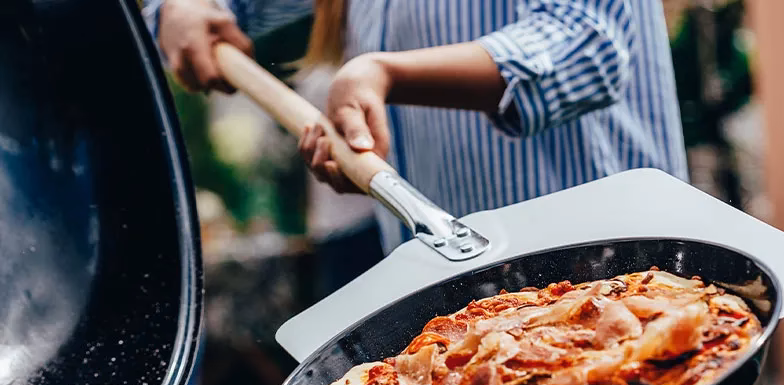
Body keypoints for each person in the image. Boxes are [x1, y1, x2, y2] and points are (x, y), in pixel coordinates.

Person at [142, 0, 689, 256]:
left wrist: (383, 74)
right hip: (459, 308)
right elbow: (226, 9)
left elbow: (588, 46)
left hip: (620, 277)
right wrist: (180, 9)